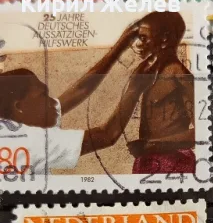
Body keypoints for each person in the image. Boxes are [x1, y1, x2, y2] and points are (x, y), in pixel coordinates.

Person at [0, 22, 149, 177]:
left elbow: (79, 90)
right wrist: (135, 88)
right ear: (19, 107)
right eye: (42, 96)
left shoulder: (12, 127)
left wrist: (119, 47)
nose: (52, 102)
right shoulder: (35, 142)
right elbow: (107, 135)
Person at [126, 11, 196, 177]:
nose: (138, 44)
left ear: (164, 39)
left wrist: (153, 145)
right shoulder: (148, 75)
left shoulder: (180, 75)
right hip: (146, 162)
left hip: (174, 163)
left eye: (144, 38)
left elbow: (202, 132)